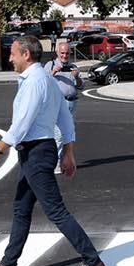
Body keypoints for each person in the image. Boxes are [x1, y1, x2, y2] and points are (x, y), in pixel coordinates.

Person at [0, 35, 106, 266]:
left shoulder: (35, 82)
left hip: (36, 152)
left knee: (56, 210)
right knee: (21, 208)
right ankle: (8, 264)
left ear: (26, 54)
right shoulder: (46, 79)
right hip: (36, 152)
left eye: (13, 53)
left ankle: (92, 261)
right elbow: (65, 119)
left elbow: (22, 124)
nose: (10, 58)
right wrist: (68, 152)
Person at [44, 41, 83, 173]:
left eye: (67, 53)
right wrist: (53, 72)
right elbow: (42, 82)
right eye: (62, 53)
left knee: (68, 135)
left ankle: (64, 162)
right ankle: (55, 163)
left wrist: (77, 77)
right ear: (57, 53)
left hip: (72, 103)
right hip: (58, 104)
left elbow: (81, 86)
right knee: (58, 134)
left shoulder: (73, 67)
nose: (64, 56)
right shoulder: (50, 65)